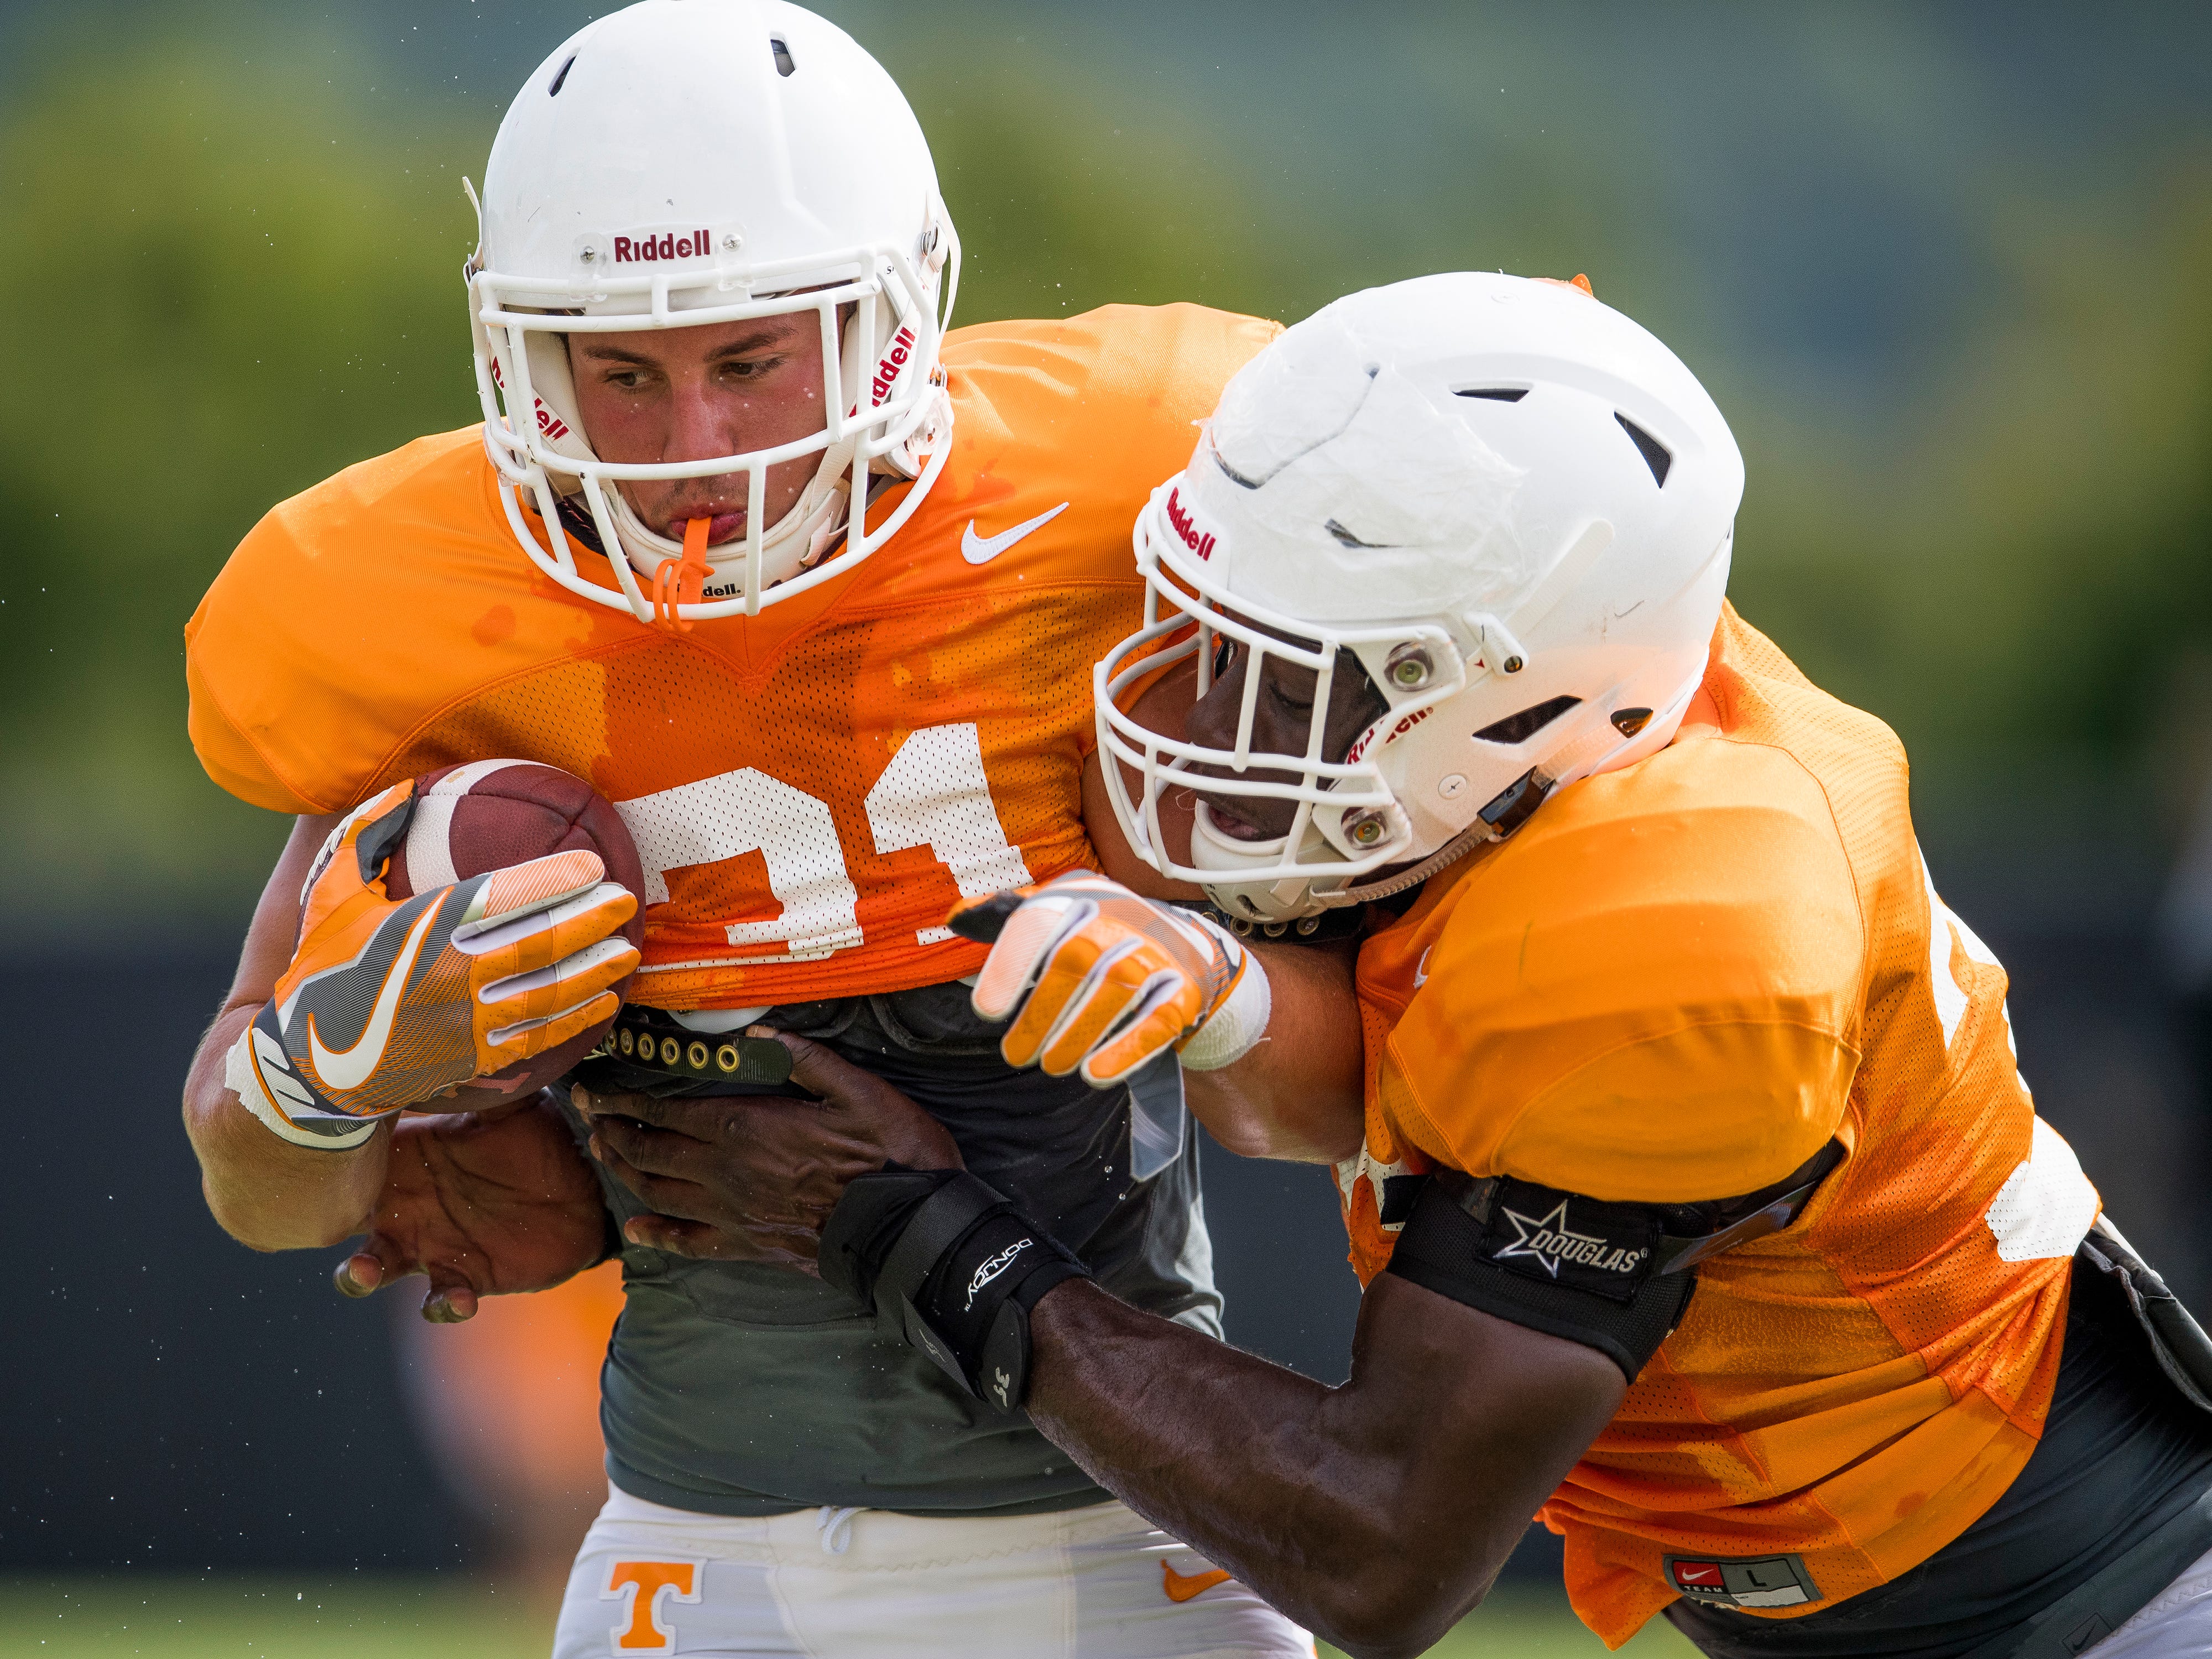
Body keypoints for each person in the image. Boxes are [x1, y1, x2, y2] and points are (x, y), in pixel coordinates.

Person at [607, 272, 2212, 1659]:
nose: (1192, 717)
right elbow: (1393, 1080)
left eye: (1288, 682)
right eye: (1211, 636)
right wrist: (1228, 995)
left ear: (1515, 710)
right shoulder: (1573, 706)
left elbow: (1378, 1551)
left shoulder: (1679, 934)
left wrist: (913, 1230)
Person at [178, 2, 1326, 1652]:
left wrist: (1213, 974)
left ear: (890, 320)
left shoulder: (1123, 479)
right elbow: (259, 1189)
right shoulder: (416, 611)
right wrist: (319, 1075)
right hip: (692, 1547)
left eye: (749, 357)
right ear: (521, 353)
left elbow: (1334, 1089)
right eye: (622, 373)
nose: (696, 449)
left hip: (1126, 1522)